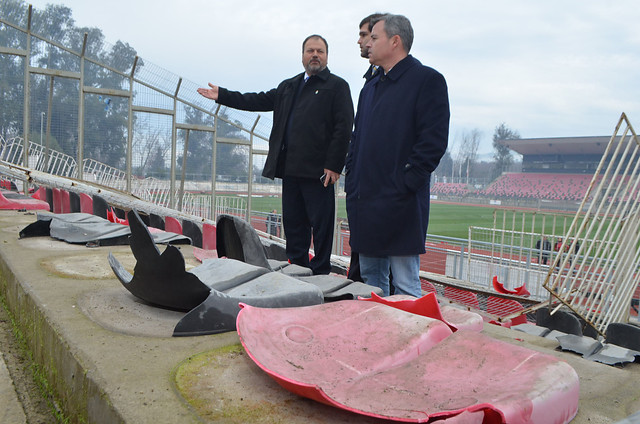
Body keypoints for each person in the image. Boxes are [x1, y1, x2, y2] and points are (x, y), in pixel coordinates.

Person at [197, 35, 353, 275]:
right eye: (310, 50)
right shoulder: (289, 86)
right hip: (290, 169)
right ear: (302, 55)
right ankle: (298, 267)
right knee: (293, 224)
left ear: (326, 56)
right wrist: (223, 95)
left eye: (320, 51)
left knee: (321, 226)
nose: (315, 55)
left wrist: (333, 164)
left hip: (319, 172)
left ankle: (321, 271)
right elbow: (257, 99)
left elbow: (344, 127)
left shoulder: (337, 86)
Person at [345, 14, 450, 297]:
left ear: (395, 41)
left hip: (400, 203)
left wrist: (405, 183)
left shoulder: (427, 80)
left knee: (405, 285)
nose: (368, 43)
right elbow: (357, 139)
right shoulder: (370, 87)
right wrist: (352, 179)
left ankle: (415, 339)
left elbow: (433, 142)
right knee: (370, 283)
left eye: (374, 38)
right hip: (365, 201)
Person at [347, 12, 385, 284]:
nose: (360, 41)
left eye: (366, 35)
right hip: (359, 184)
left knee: (381, 269)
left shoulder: (388, 81)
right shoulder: (369, 82)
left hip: (378, 188)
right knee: (362, 258)